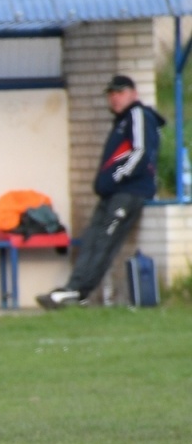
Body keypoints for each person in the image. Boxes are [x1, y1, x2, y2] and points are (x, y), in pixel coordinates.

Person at [38, 75, 164, 310]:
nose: (115, 98)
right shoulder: (121, 122)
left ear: (133, 94)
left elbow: (141, 152)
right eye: (111, 94)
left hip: (127, 193)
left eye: (120, 92)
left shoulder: (137, 115)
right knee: (92, 240)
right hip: (111, 194)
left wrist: (118, 176)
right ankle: (74, 289)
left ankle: (78, 291)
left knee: (105, 242)